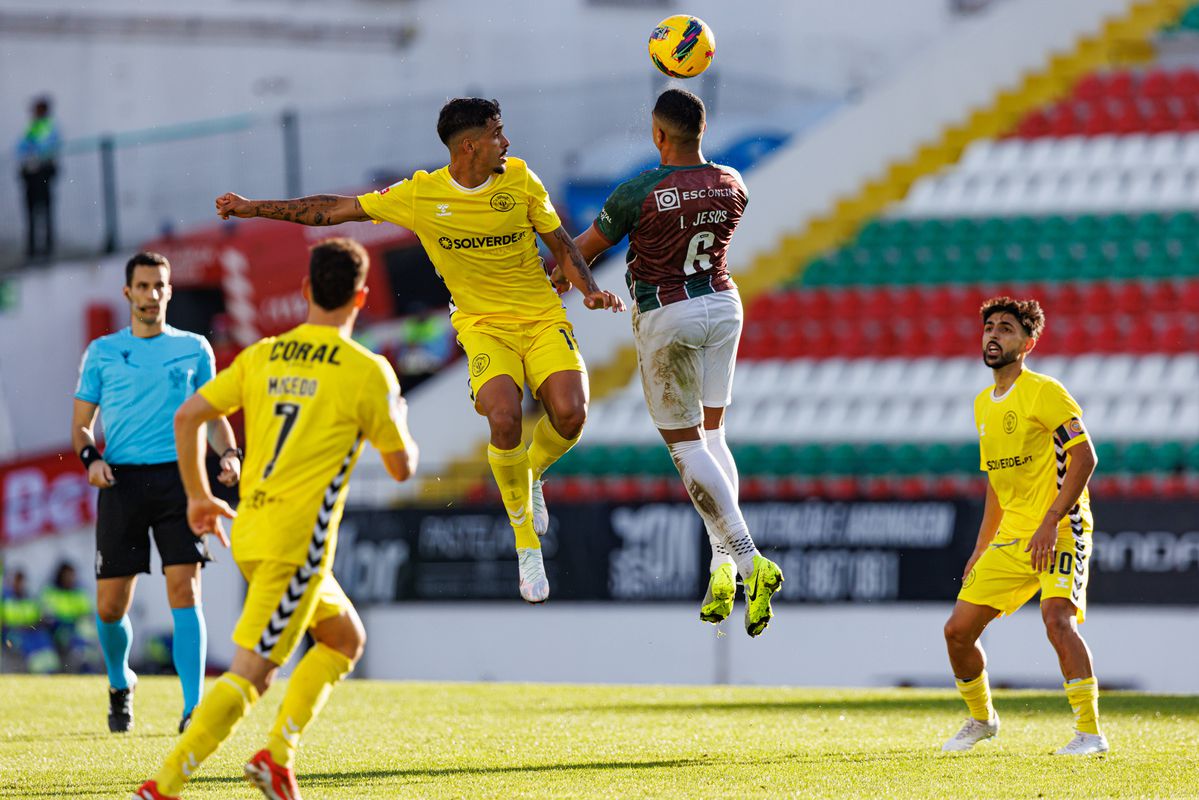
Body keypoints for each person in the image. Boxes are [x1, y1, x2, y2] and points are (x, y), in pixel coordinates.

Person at [213, 97, 625, 604]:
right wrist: (254, 207)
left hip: (541, 318)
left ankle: (533, 472)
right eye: (499, 133)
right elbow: (333, 210)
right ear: (470, 146)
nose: (507, 141)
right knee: (502, 419)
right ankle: (526, 545)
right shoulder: (420, 194)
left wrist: (588, 290)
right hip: (481, 327)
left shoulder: (520, 179)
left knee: (571, 414)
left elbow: (560, 242)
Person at [135, 237, 419, 800]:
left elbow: (190, 415)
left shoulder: (263, 355)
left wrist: (197, 495)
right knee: (252, 675)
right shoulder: (368, 372)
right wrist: (398, 417)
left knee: (343, 639)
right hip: (297, 546)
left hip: (253, 527)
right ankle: (161, 788)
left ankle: (276, 757)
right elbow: (402, 468)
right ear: (361, 297)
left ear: (307, 289)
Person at [570, 88, 784, 636]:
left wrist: (557, 270)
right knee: (714, 437)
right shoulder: (733, 182)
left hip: (669, 312)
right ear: (703, 130)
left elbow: (583, 250)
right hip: (723, 304)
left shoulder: (638, 191)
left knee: (687, 447)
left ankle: (747, 559)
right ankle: (721, 568)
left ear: (658, 135)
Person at [72, 251, 242, 734]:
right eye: (142, 286)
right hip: (121, 481)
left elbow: (212, 418)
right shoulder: (103, 352)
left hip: (180, 481)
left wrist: (229, 456)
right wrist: (93, 461)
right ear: (127, 292)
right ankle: (119, 680)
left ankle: (193, 710)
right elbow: (82, 428)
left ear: (170, 292)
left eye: (159, 286)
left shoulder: (194, 349)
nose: (151, 295)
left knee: (185, 590)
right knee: (110, 607)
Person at [941, 297, 1106, 756]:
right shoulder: (981, 405)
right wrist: (981, 546)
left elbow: (1085, 457)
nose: (994, 335)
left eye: (1007, 329)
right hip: (1012, 535)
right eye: (989, 327)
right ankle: (981, 720)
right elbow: (996, 484)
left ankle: (1090, 734)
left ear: (1029, 342)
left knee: (1057, 619)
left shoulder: (1045, 391)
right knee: (957, 632)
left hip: (1062, 528)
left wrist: (1052, 519)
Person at [15, 95, 60, 260]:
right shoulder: (34, 127)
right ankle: (34, 248)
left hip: (41, 174)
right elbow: (21, 148)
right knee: (33, 212)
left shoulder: (47, 127)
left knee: (43, 211)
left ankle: (44, 248)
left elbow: (44, 148)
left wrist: (34, 155)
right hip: (32, 175)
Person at [39, 561, 97, 672]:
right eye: (67, 575)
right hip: (57, 629)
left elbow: (88, 613)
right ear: (60, 575)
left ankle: (86, 664)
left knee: (87, 628)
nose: (70, 578)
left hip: (75, 627)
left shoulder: (80, 592)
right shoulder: (50, 591)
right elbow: (46, 616)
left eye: (72, 575)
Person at [1, 569, 59, 674]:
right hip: (13, 634)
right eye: (17, 581)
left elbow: (40, 618)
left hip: (32, 632)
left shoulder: (30, 599)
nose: (19, 584)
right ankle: (38, 671)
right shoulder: (4, 600)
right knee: (27, 644)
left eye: (21, 581)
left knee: (44, 640)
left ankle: (50, 670)